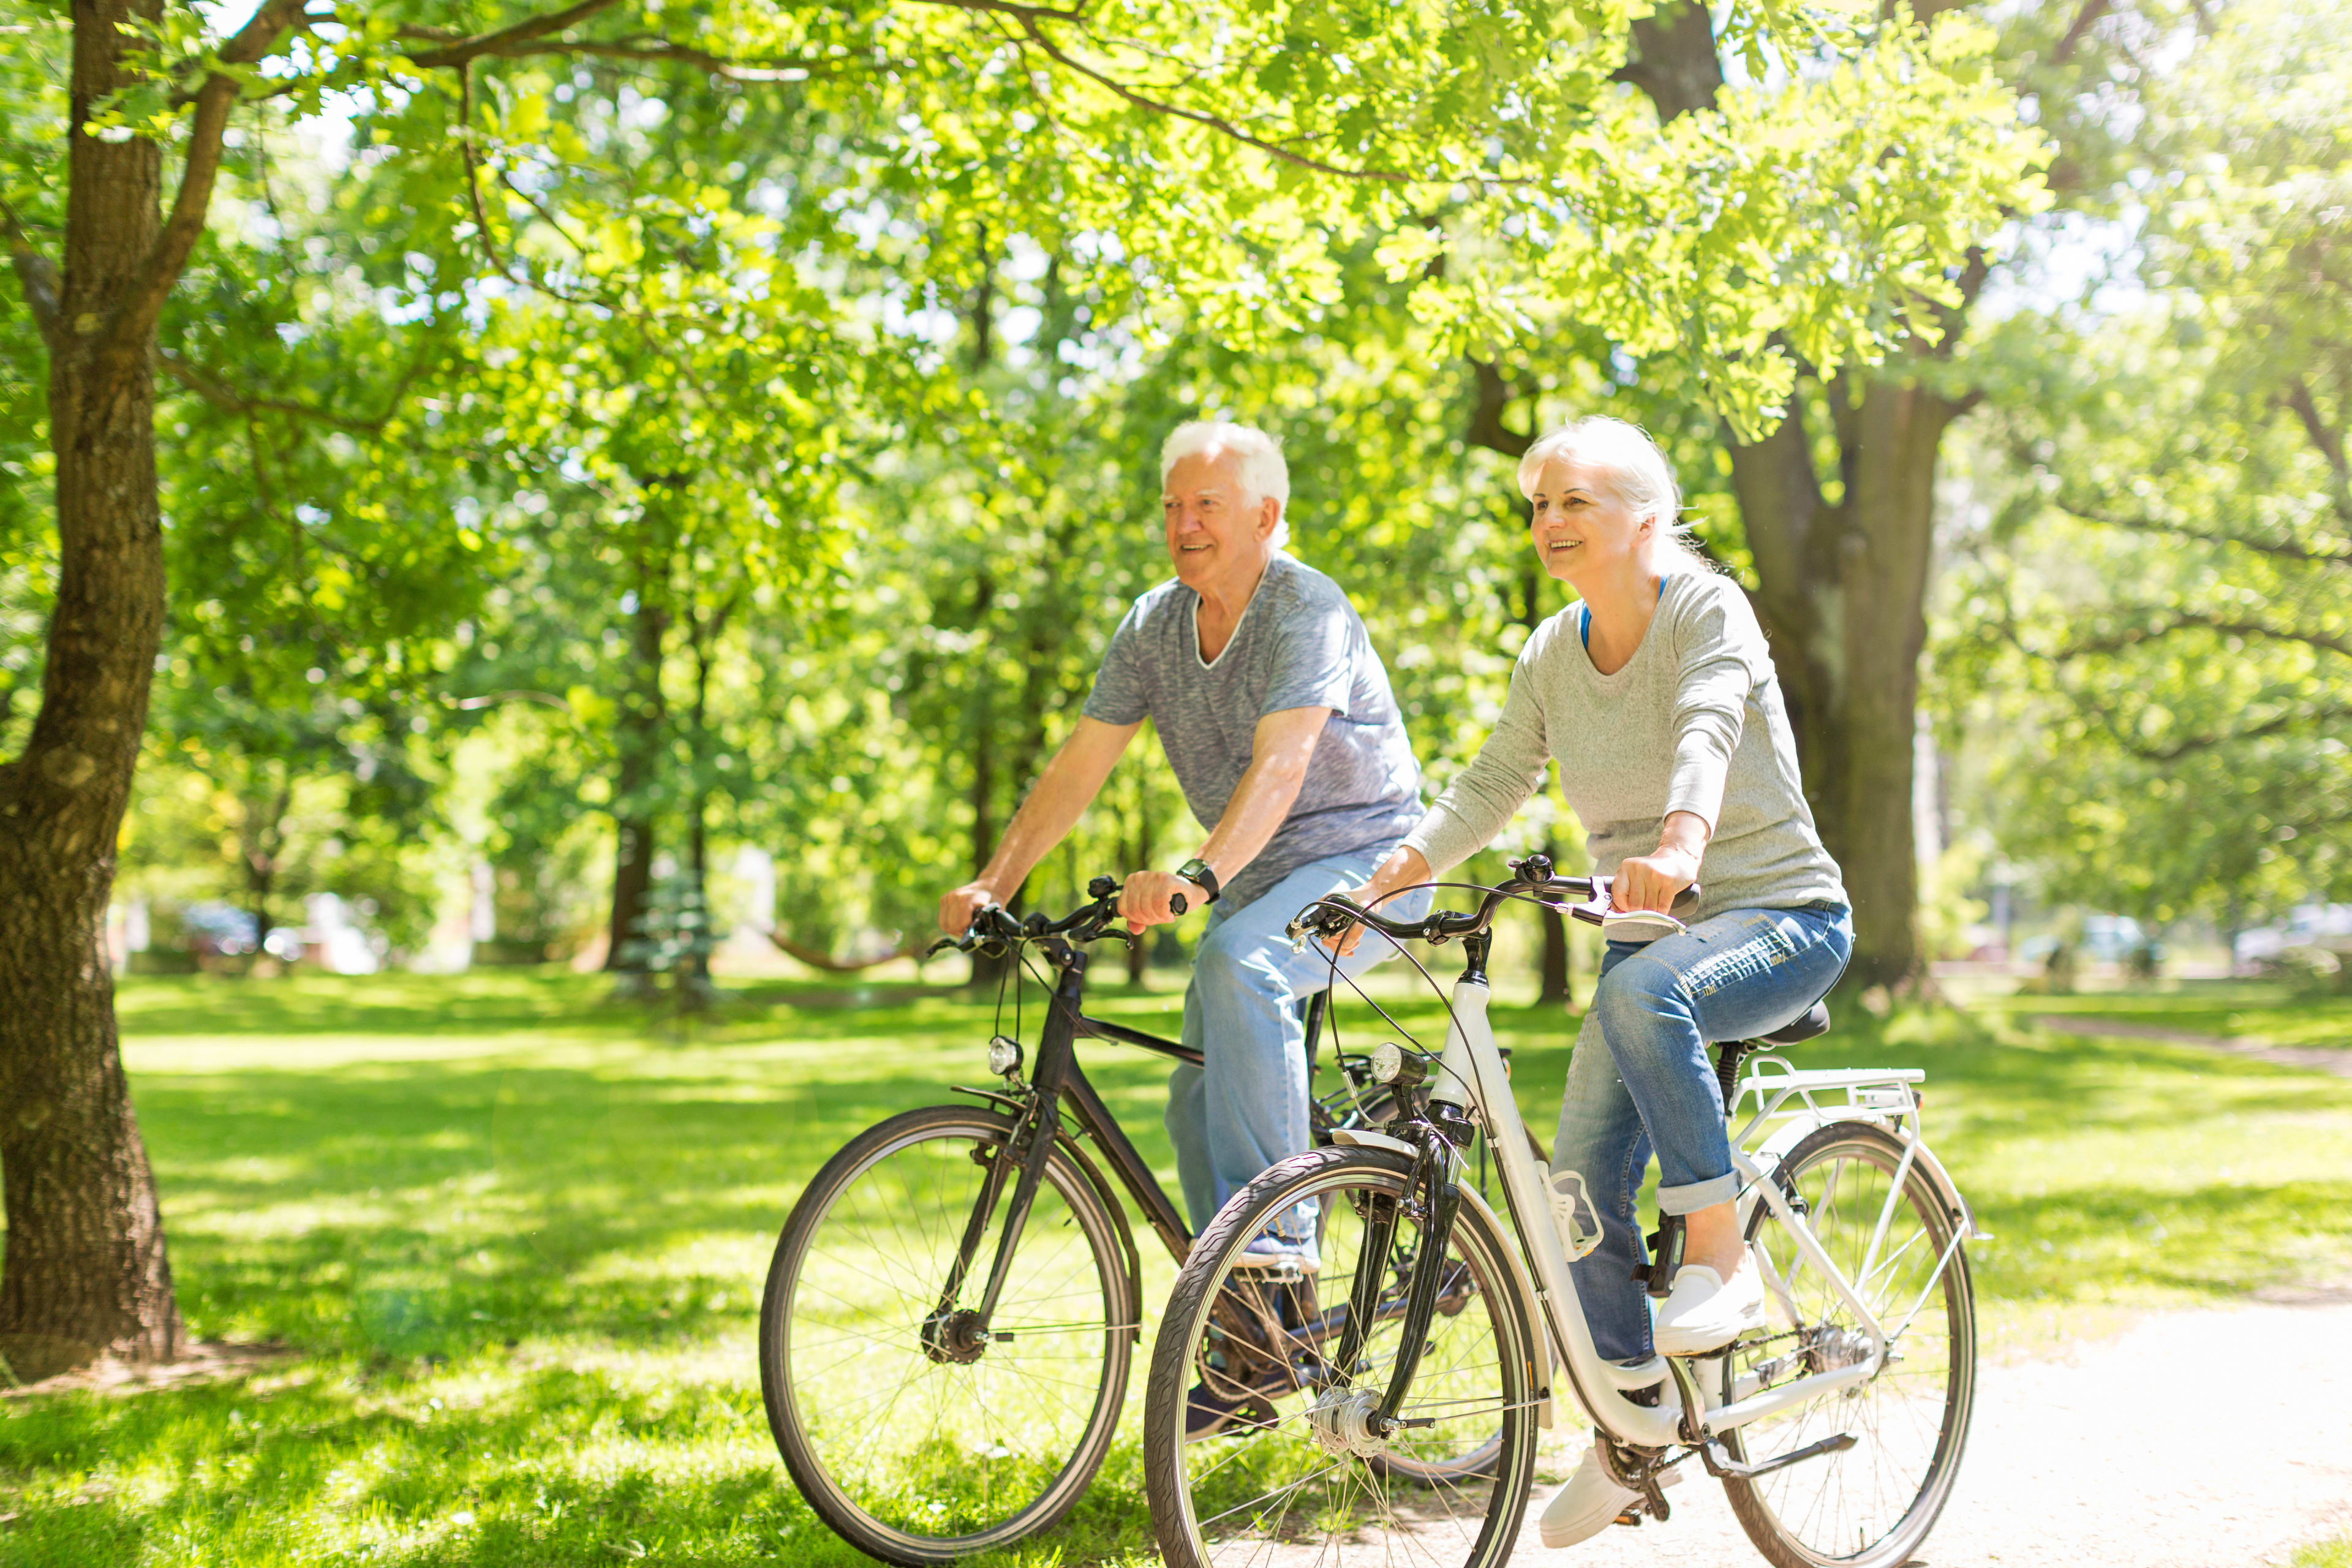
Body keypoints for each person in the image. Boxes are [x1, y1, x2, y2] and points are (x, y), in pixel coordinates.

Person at [1331, 415, 1851, 1550]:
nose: (1549, 522)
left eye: (1575, 502)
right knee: (1572, 1191)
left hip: (1780, 915)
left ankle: (1720, 1255)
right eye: (1538, 505)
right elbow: (1495, 780)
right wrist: (1397, 876)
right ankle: (1633, 1427)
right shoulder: (1549, 653)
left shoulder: (1708, 609)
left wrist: (1677, 845)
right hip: (1651, 938)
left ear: (1646, 520)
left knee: (1638, 992)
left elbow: (1710, 725)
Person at [938, 418, 1432, 1283]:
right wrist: (993, 881)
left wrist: (1199, 877)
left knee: (1242, 963)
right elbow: (1081, 762)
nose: (1184, 525)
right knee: (1196, 1098)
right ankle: (1242, 1331)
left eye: (1208, 504)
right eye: (1172, 506)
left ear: (1264, 515)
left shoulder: (1305, 608)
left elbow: (1283, 764)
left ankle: (1274, 1253)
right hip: (1255, 880)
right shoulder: (1154, 625)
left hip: (1369, 865)